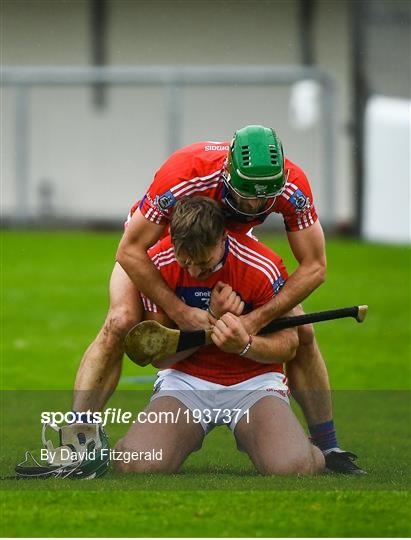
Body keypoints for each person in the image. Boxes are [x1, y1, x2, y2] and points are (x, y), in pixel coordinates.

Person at [73, 124, 364, 474]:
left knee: (302, 334)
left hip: (226, 250)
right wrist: (181, 311)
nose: (255, 205)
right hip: (161, 246)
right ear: (227, 173)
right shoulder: (184, 175)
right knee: (120, 322)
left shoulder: (291, 186)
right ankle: (78, 438)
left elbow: (315, 266)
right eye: (246, 197)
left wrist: (252, 324)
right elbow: (130, 250)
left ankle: (329, 446)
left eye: (264, 198)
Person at [115, 197, 324, 475]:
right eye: (185, 261)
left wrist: (245, 344)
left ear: (223, 238)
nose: (194, 272)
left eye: (204, 263)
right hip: (185, 383)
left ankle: (312, 449)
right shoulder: (158, 263)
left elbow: (288, 346)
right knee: (136, 465)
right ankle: (126, 444)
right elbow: (161, 359)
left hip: (254, 383)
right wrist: (210, 327)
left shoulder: (263, 265)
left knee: (294, 468)